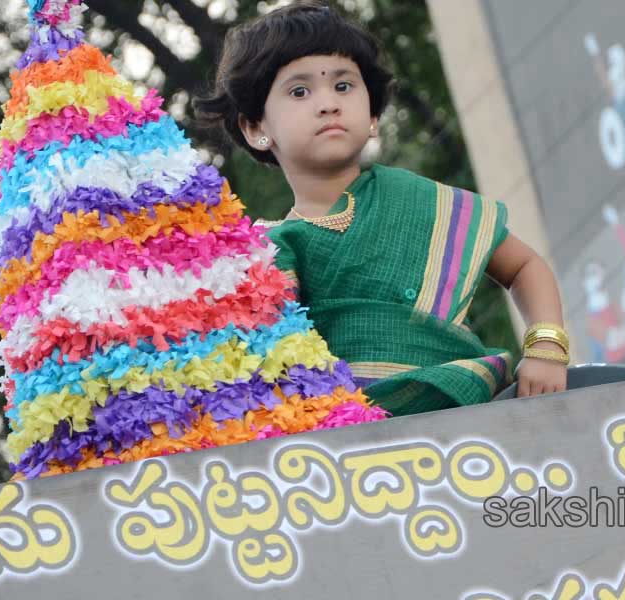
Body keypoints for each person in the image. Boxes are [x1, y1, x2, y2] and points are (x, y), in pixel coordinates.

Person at [194, 2, 568, 416]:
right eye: (299, 91)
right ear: (256, 128)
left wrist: (546, 347)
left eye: (344, 86)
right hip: (352, 442)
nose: (328, 104)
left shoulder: (419, 199)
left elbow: (523, 266)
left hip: (471, 410)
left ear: (372, 114)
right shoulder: (267, 253)